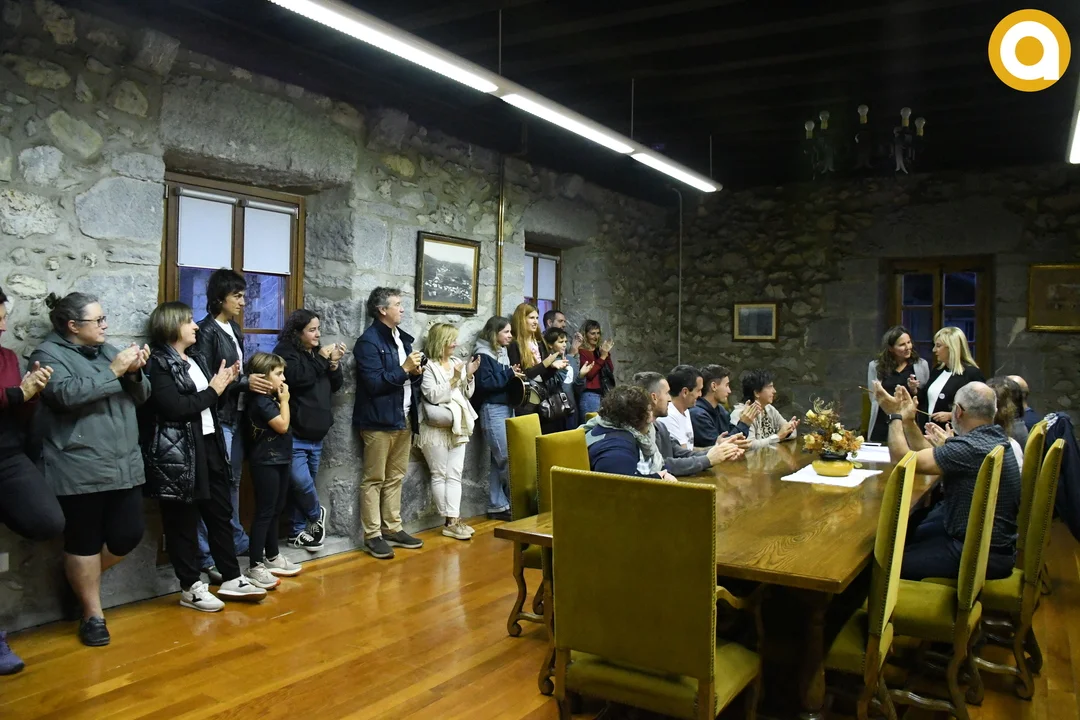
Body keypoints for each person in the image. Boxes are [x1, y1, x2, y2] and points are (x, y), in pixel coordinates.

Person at [30, 292, 150, 647]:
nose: (105, 325)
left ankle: (79, 581)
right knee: (83, 542)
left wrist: (135, 373)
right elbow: (65, 395)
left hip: (124, 462)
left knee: (128, 535)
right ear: (72, 326)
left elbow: (142, 396)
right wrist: (114, 371)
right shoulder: (47, 355)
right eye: (98, 320)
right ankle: (92, 615)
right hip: (78, 464)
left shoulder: (109, 350)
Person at [143, 302, 266, 611]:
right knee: (182, 522)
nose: (196, 325)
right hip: (179, 452)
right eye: (188, 321)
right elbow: (175, 408)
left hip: (210, 443)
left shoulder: (195, 357)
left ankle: (231, 576)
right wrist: (214, 389)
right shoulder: (159, 363)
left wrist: (225, 383)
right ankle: (190, 586)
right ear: (172, 326)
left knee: (220, 513)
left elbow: (207, 400)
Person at [875, 381, 1021, 581]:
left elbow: (902, 460)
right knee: (912, 533)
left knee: (884, 563)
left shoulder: (971, 448)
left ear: (958, 411)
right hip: (991, 548)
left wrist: (894, 416)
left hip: (980, 556)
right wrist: (908, 421)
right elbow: (930, 455)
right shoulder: (991, 439)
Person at [192, 269, 273, 584]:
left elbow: (235, 373)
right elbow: (208, 380)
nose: (243, 301)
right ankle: (207, 554)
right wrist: (245, 383)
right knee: (215, 487)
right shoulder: (206, 331)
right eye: (236, 296)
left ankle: (234, 538)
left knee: (233, 481)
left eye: (243, 295)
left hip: (236, 416)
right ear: (219, 299)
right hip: (217, 418)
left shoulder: (234, 328)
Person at [0, 286, 64, 673]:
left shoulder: (8, 357)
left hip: (7, 454)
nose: (3, 325)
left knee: (47, 520)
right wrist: (14, 394)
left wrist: (32, 393)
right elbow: (9, 397)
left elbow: (18, 407)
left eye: (4, 317)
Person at [352, 288, 425, 559]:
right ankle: (372, 534)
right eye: (397, 304)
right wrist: (405, 368)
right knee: (374, 479)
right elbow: (374, 384)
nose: (402, 309)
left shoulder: (401, 338)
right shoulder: (368, 342)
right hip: (377, 420)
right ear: (382, 310)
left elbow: (407, 379)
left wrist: (416, 373)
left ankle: (392, 527)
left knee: (396, 476)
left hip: (403, 415)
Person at [273, 310, 343, 553]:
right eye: (312, 330)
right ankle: (316, 513)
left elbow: (336, 385)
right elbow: (298, 378)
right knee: (302, 483)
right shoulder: (285, 352)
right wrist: (322, 359)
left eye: (318, 329)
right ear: (297, 332)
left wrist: (333, 364)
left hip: (317, 432)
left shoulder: (316, 353)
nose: (318, 334)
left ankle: (297, 532)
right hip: (295, 432)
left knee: (302, 487)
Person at [243, 352, 302, 588]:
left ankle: (272, 555)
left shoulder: (270, 398)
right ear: (264, 377)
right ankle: (255, 565)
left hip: (280, 459)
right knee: (265, 512)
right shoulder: (261, 401)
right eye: (278, 374)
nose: (283, 378)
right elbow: (282, 425)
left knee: (277, 509)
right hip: (265, 462)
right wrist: (285, 401)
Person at [418, 322, 479, 540]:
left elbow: (466, 394)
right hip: (435, 428)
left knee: (455, 474)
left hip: (458, 425)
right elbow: (432, 396)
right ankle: (450, 522)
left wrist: (469, 375)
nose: (455, 343)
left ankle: (454, 519)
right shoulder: (428, 366)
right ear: (440, 342)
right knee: (439, 474)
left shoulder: (455, 362)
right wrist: (454, 378)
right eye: (451, 340)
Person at [633, 371, 745, 477]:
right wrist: (708, 459)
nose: (669, 399)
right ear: (654, 397)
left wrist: (721, 451)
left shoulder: (660, 427)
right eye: (667, 393)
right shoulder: (635, 432)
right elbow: (664, 464)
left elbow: (681, 453)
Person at [473, 315, 524, 521]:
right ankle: (518, 502)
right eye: (506, 332)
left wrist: (514, 376)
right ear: (495, 333)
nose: (510, 336)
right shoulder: (482, 355)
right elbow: (485, 384)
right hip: (492, 409)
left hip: (505, 407)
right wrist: (509, 374)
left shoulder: (502, 352)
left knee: (498, 460)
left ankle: (497, 505)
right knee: (507, 458)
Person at [584, 385, 676, 481]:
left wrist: (662, 474)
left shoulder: (606, 428)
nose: (651, 416)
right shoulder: (618, 449)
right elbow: (619, 485)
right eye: (649, 410)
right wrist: (658, 478)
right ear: (637, 418)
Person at [866, 326, 930, 442]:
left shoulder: (921, 365)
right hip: (883, 422)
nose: (908, 347)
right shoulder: (875, 366)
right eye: (902, 345)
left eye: (909, 342)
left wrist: (914, 390)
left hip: (909, 424)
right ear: (891, 348)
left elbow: (924, 398)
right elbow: (874, 398)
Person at [919, 326, 984, 430]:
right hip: (929, 430)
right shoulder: (937, 370)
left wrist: (951, 415)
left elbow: (981, 407)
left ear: (951, 348)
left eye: (938, 346)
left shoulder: (972, 373)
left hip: (956, 432)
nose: (934, 350)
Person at [507, 303, 566, 410]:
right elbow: (521, 376)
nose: (535, 322)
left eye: (537, 318)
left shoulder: (539, 342)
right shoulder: (514, 344)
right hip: (526, 398)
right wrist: (545, 364)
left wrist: (552, 367)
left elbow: (544, 376)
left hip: (542, 395)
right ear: (521, 319)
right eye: (531, 318)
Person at [730, 369, 799, 449]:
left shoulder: (769, 408)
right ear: (757, 393)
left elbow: (791, 433)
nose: (774, 391)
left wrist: (789, 429)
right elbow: (749, 445)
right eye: (770, 387)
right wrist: (778, 437)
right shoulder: (742, 413)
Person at [690, 364, 754, 447]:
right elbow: (719, 447)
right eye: (726, 385)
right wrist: (744, 423)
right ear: (714, 386)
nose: (729, 391)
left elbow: (733, 438)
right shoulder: (698, 415)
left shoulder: (721, 411)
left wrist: (744, 420)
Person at [541, 326, 590, 433]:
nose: (564, 344)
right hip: (555, 410)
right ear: (550, 345)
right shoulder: (547, 363)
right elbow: (549, 386)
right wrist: (560, 370)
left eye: (565, 341)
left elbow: (577, 389)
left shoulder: (570, 360)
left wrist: (581, 376)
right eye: (560, 342)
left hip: (572, 409)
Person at [656, 364, 702, 450]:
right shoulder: (669, 416)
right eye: (698, 390)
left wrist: (717, 447)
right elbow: (683, 454)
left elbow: (690, 449)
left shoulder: (686, 411)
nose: (700, 394)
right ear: (685, 392)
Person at [577, 319, 614, 420]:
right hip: (590, 395)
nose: (596, 336)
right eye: (592, 333)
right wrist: (602, 357)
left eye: (598, 333)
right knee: (591, 426)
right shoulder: (582, 352)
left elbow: (610, 370)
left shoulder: (599, 350)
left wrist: (606, 354)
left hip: (603, 393)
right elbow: (589, 374)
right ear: (585, 334)